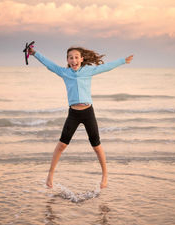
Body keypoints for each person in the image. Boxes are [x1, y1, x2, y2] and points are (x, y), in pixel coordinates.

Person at [28, 46, 133, 188]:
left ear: (82, 59)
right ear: (67, 60)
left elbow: (106, 67)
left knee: (96, 146)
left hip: (88, 112)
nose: (74, 60)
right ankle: (50, 175)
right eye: (71, 57)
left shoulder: (88, 71)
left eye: (76, 57)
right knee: (62, 145)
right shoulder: (64, 72)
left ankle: (105, 175)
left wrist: (122, 61)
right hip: (74, 114)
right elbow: (49, 64)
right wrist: (34, 53)